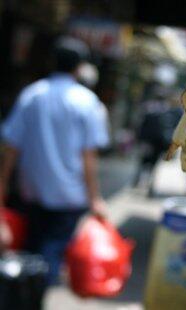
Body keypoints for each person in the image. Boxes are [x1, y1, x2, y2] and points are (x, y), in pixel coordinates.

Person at [0, 37, 109, 285]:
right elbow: (88, 156)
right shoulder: (86, 101)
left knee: (30, 254)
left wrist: (2, 189)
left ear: (52, 61)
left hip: (31, 193)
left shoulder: (32, 95)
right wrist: (95, 198)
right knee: (49, 258)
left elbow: (10, 149)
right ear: (79, 67)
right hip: (69, 198)